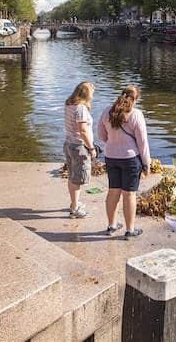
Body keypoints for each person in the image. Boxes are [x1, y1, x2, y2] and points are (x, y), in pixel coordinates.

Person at [97, 85, 151, 239]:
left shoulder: (107, 111)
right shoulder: (136, 115)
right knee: (129, 194)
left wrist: (112, 142)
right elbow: (142, 142)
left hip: (111, 157)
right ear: (136, 99)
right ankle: (130, 230)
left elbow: (100, 135)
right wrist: (147, 164)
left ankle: (111, 225)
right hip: (130, 159)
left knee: (113, 191)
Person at [63, 81, 97, 218]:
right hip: (79, 147)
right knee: (77, 179)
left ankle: (74, 203)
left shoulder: (69, 105)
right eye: (92, 93)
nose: (93, 96)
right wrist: (91, 147)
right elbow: (82, 130)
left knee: (72, 176)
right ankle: (75, 209)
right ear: (86, 94)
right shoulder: (81, 109)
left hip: (69, 144)